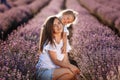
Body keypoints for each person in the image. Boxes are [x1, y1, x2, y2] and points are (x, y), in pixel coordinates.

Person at [36, 16, 80, 80]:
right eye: (54, 25)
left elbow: (65, 60)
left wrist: (71, 68)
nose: (58, 26)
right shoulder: (50, 42)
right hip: (44, 72)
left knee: (73, 75)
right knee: (70, 73)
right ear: (50, 29)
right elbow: (55, 61)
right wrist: (70, 67)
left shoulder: (64, 41)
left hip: (56, 70)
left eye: (59, 23)